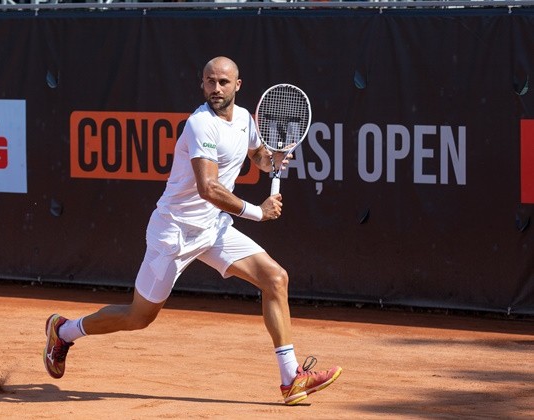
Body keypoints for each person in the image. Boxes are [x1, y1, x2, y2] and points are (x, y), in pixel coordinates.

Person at [43, 56, 341, 405]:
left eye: (223, 83)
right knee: (139, 317)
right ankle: (63, 331)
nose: (216, 88)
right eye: (210, 82)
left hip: (213, 230)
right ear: (202, 84)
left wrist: (270, 159)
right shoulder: (200, 125)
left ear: (237, 86)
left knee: (275, 279)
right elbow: (208, 189)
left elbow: (257, 155)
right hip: (174, 233)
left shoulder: (245, 119)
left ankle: (290, 378)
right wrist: (258, 213)